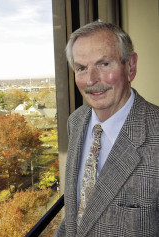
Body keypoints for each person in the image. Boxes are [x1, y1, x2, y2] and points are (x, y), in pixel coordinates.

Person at [54, 21, 159, 236]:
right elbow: (78, 215)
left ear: (131, 66)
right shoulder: (76, 122)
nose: (91, 80)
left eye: (103, 64)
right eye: (81, 68)